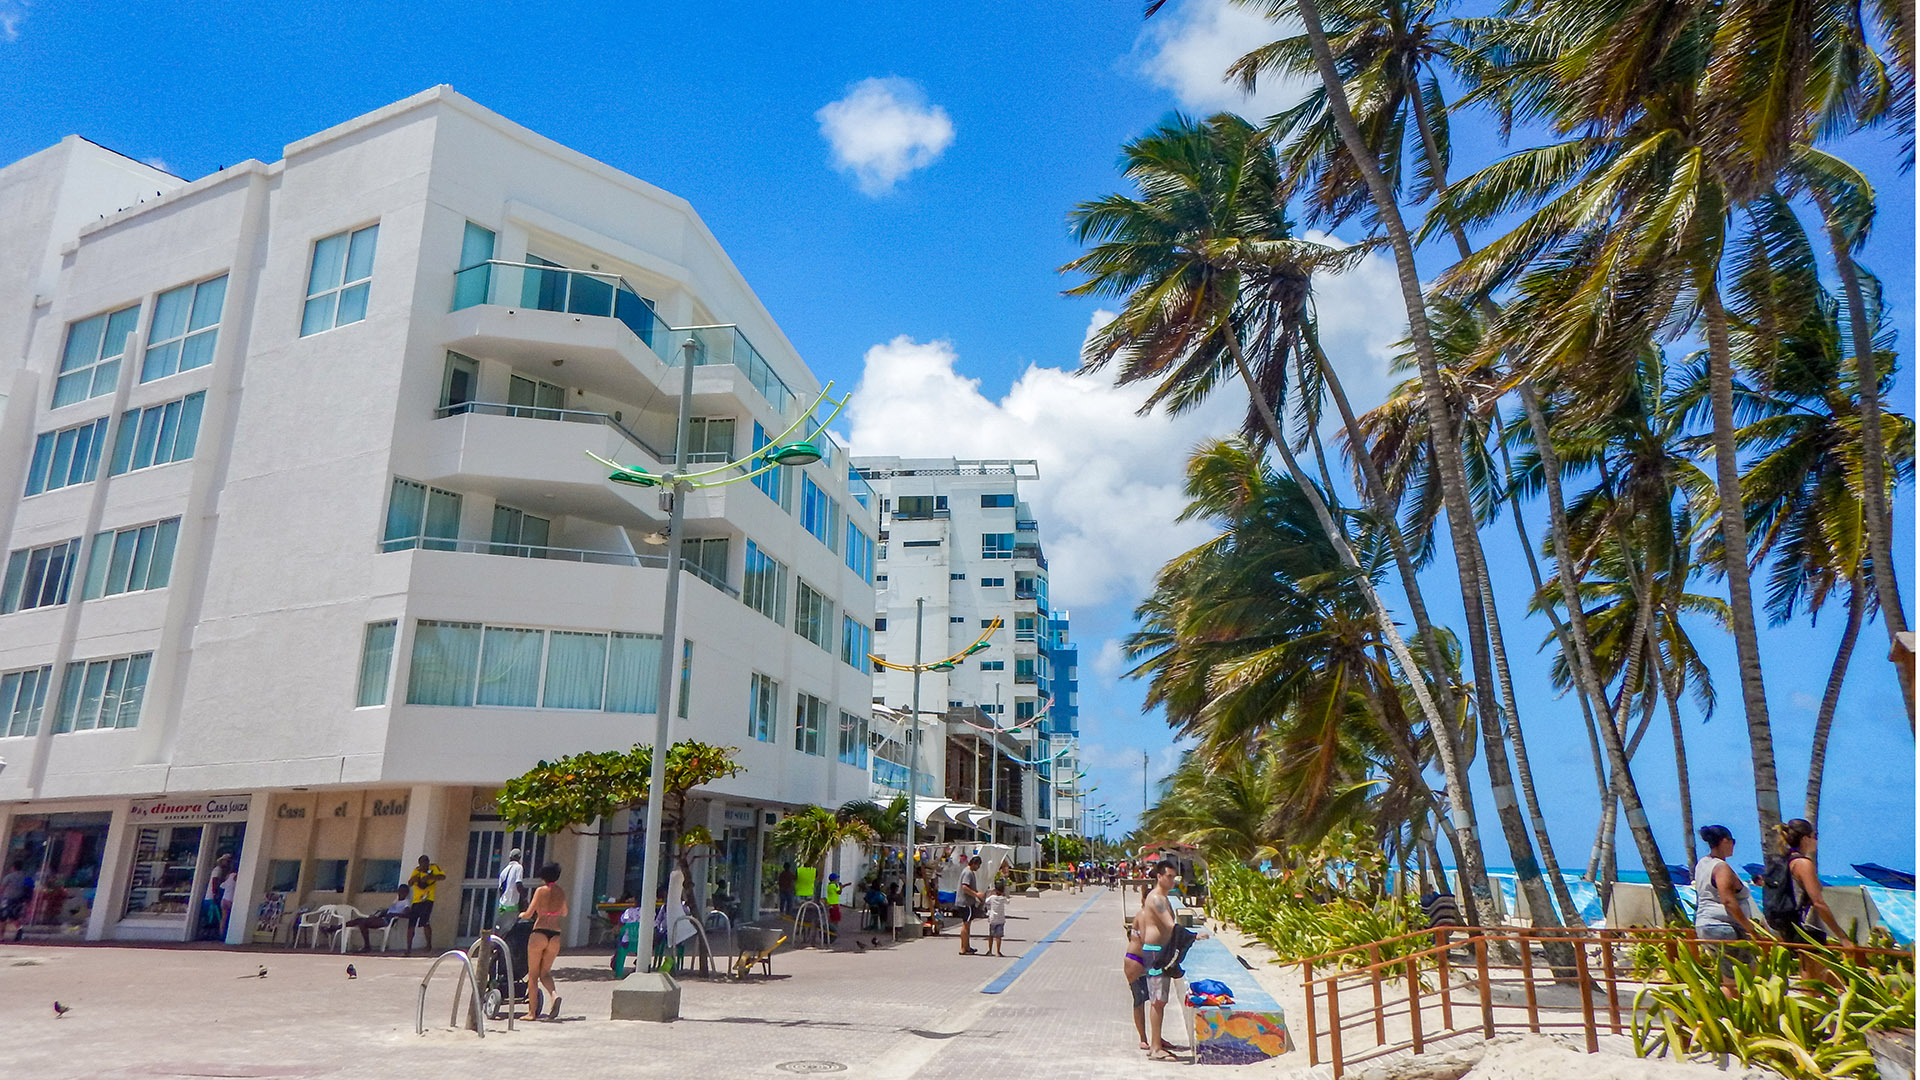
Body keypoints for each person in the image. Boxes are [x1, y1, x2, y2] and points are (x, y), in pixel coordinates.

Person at [1764, 818, 1850, 985]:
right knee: (1822, 979)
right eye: (1814, 836)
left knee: (1811, 976)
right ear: (1805, 838)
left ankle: (1810, 1008)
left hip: (1788, 926)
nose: (1816, 840)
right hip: (1806, 928)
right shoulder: (1803, 864)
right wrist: (1842, 936)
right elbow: (1818, 902)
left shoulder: (1783, 860)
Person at [1693, 824, 1765, 994]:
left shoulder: (1702, 863)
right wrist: (1750, 928)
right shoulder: (1721, 867)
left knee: (1730, 975)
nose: (1733, 845)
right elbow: (1728, 900)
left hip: (1705, 925)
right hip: (1723, 926)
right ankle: (1732, 1017)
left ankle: (1726, 1014)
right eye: (1732, 841)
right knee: (1740, 976)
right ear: (1725, 841)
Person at [1133, 861, 1181, 1060]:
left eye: (1173, 877)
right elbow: (1170, 925)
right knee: (1157, 1001)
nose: (1172, 880)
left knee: (1158, 1001)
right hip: (1154, 955)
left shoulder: (1160, 897)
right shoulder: (1157, 899)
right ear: (1159, 876)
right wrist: (1192, 936)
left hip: (1157, 953)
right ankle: (1155, 1048)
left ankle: (1157, 1041)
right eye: (1168, 876)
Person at [522, 862, 567, 1020]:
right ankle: (554, 996)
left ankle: (531, 1012)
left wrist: (521, 915)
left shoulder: (540, 891)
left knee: (533, 975)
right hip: (555, 935)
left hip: (539, 932)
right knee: (545, 973)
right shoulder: (561, 892)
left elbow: (529, 913)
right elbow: (564, 912)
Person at [345, 886, 411, 951]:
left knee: (362, 922)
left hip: (387, 920)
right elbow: (389, 910)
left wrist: (393, 914)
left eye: (403, 892)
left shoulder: (405, 902)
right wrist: (379, 914)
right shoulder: (396, 901)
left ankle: (367, 946)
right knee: (360, 920)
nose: (400, 893)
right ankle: (339, 927)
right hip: (383, 918)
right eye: (399, 891)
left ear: (406, 893)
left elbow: (407, 914)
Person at [405, 855, 445, 954]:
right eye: (422, 864)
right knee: (411, 924)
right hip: (416, 901)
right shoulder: (416, 871)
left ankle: (428, 945)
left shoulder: (433, 868)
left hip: (428, 899)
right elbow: (409, 883)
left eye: (426, 863)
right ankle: (408, 948)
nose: (424, 866)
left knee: (425, 922)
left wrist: (430, 876)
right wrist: (416, 878)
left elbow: (442, 876)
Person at [956, 855, 985, 955]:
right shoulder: (968, 873)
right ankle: (963, 948)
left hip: (968, 902)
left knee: (968, 925)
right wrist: (976, 894)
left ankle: (967, 946)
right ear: (974, 864)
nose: (978, 868)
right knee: (966, 924)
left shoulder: (969, 872)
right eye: (978, 865)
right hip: (965, 903)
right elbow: (965, 887)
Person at [203, 854, 233, 940]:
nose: (227, 863)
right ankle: (210, 935)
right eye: (226, 861)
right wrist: (215, 894)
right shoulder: (218, 870)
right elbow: (214, 881)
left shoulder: (222, 871)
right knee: (212, 917)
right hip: (211, 897)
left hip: (213, 897)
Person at [496, 848, 526, 929]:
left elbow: (500, 889)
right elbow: (518, 884)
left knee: (503, 929)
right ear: (519, 858)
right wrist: (524, 899)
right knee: (512, 928)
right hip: (513, 904)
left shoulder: (503, 871)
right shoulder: (518, 867)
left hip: (502, 905)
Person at [0, 860, 30, 941]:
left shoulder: (9, 877)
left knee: (3, 917)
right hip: (20, 899)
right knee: (14, 916)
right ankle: (19, 930)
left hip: (8, 899)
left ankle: (1, 936)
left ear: (13, 868)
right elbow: (30, 888)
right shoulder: (26, 877)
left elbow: (2, 889)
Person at [984, 882, 1010, 957]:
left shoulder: (992, 898)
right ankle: (998, 951)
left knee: (991, 936)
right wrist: (1004, 894)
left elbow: (986, 901)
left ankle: (990, 950)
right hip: (1001, 920)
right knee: (998, 936)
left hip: (992, 919)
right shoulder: (1003, 898)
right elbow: (1008, 902)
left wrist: (991, 893)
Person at [824, 873, 843, 943]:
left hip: (831, 903)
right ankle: (833, 930)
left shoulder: (829, 885)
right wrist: (840, 887)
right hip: (834, 904)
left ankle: (831, 930)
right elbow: (839, 892)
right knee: (836, 919)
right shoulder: (834, 885)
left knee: (832, 918)